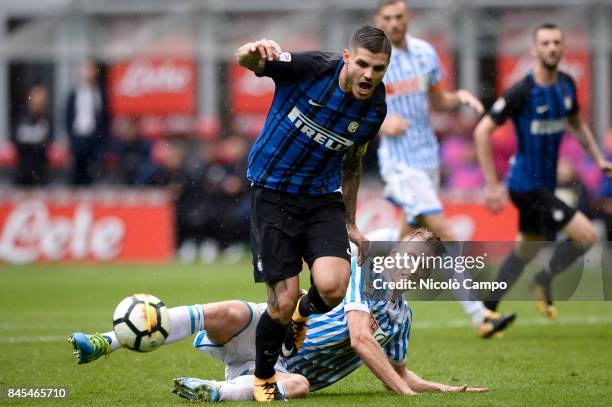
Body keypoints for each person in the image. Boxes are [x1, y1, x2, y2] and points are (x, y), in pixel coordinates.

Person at [69, 229, 488, 401]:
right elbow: (361, 340)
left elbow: (401, 370)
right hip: (274, 329)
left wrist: (438, 388)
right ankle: (108, 339)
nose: (405, 264)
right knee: (232, 309)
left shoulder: (402, 318)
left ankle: (216, 391)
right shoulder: (367, 273)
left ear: (423, 274)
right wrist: (407, 396)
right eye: (405, 254)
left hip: (283, 368)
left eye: (417, 264)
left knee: (299, 386)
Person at [234, 25, 390, 401]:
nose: (369, 75)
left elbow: (352, 163)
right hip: (272, 192)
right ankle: (264, 378)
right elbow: (246, 60)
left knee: (334, 287)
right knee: (280, 304)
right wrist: (252, 50)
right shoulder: (309, 69)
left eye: (379, 68)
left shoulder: (375, 108)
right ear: (347, 57)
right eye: (364, 65)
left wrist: (350, 220)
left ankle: (304, 314)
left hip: (321, 197)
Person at [374, 0, 514, 338]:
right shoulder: (375, 59)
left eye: (398, 17)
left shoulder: (424, 53)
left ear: (408, 19)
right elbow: (354, 106)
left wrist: (459, 97)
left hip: (427, 160)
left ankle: (373, 292)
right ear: (379, 21)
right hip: (399, 164)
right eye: (387, 18)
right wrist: (380, 123)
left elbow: (436, 99)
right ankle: (480, 314)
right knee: (444, 232)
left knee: (408, 237)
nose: (394, 23)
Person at [473, 23, 612, 318]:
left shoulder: (566, 85)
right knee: (586, 235)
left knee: (527, 248)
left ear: (562, 47)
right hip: (525, 185)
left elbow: (576, 123)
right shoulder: (522, 91)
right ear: (535, 50)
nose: (551, 48)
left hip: (545, 185)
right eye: (545, 43)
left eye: (556, 42)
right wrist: (491, 185)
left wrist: (598, 157)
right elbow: (482, 131)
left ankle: (488, 308)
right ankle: (542, 280)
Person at [65, 60, 109, 185]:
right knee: (77, 172)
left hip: (94, 138)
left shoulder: (99, 93)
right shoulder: (74, 94)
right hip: (78, 137)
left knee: (94, 173)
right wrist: (72, 138)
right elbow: (68, 117)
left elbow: (104, 118)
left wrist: (102, 141)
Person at [10, 85, 53, 186]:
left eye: (40, 103)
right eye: (35, 102)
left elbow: (49, 142)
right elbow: (14, 139)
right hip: (22, 171)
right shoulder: (21, 118)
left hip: (41, 171)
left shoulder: (47, 120)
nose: (37, 106)